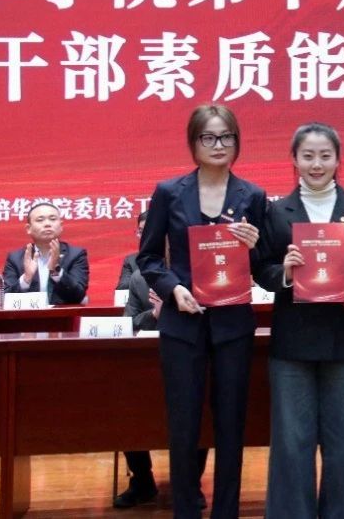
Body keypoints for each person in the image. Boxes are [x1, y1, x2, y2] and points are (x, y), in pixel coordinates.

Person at [137, 104, 266, 519]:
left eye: (226, 136)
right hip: (183, 323)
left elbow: (262, 264)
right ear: (193, 143)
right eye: (208, 137)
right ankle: (186, 510)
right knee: (183, 425)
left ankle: (226, 511)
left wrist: (254, 245)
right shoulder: (169, 192)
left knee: (231, 424)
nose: (218, 145)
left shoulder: (253, 196)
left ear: (237, 142)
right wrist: (173, 289)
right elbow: (148, 257)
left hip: (232, 323)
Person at [255, 122, 344, 518]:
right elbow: (262, 270)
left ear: (338, 159)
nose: (316, 164)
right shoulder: (277, 211)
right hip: (292, 343)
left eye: (325, 156)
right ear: (294, 159)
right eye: (307, 156)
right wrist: (285, 272)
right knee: (291, 443)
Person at [114, 211, 207, 509]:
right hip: (146, 363)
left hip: (191, 355)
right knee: (127, 406)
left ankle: (191, 483)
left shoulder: (199, 272)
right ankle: (142, 481)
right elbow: (128, 322)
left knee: (201, 410)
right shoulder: (139, 278)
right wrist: (154, 315)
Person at [3, 201, 89, 305]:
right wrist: (26, 279)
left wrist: (56, 271)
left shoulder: (75, 255)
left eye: (52, 219)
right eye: (40, 220)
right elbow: (5, 299)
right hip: (29, 315)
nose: (47, 224)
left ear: (61, 226)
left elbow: (79, 296)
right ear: (28, 228)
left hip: (62, 315)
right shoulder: (15, 258)